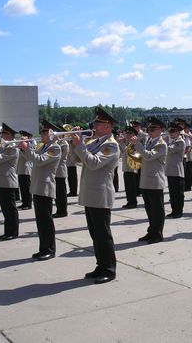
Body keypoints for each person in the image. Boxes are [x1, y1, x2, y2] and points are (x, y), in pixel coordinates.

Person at [70, 106, 119, 284]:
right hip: (91, 193)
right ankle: (101, 264)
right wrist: (73, 143)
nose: (94, 125)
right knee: (95, 233)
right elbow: (76, 159)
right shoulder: (94, 142)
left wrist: (80, 145)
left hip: (100, 194)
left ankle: (109, 269)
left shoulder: (111, 145)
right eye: (95, 122)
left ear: (108, 126)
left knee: (103, 234)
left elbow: (93, 163)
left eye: (98, 123)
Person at [19, 120, 61, 260]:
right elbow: (30, 159)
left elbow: (39, 160)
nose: (42, 134)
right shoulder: (43, 146)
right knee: (40, 221)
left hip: (45, 186)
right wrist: (23, 149)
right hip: (38, 185)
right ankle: (43, 248)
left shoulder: (55, 148)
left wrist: (27, 149)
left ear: (51, 134)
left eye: (44, 132)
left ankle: (50, 249)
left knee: (46, 221)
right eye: (42, 131)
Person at [131, 117, 167, 244]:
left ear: (160, 130)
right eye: (149, 128)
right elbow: (141, 156)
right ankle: (151, 231)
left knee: (157, 210)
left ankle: (158, 234)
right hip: (146, 179)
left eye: (153, 128)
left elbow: (148, 156)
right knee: (149, 209)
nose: (149, 131)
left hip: (155, 180)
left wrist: (138, 145)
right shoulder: (149, 141)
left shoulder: (161, 144)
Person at [0, 123, 20, 241]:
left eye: (3, 133)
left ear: (10, 135)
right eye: (1, 133)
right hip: (1, 180)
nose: (1, 135)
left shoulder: (12, 147)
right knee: (5, 209)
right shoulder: (3, 146)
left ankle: (13, 232)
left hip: (8, 180)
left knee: (10, 209)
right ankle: (7, 231)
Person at [164, 122, 185, 218]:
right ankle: (174, 210)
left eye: (173, 131)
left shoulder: (180, 142)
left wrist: (165, 142)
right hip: (171, 170)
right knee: (172, 193)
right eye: (170, 131)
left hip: (177, 171)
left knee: (178, 193)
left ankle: (179, 211)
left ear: (178, 132)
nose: (171, 133)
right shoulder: (173, 141)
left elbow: (170, 150)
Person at [119, 126, 139, 208]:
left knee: (132, 186)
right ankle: (129, 201)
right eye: (126, 133)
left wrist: (121, 143)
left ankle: (133, 202)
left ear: (134, 134)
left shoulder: (135, 143)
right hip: (126, 168)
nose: (127, 135)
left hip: (132, 168)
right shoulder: (127, 143)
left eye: (129, 133)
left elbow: (129, 152)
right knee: (128, 186)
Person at [53, 124, 68, 218]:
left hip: (60, 171)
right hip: (56, 171)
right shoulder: (58, 144)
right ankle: (59, 210)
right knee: (57, 193)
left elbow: (58, 156)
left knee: (61, 194)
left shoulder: (64, 144)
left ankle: (62, 211)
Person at [16, 130, 34, 210]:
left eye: (24, 135)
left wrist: (23, 149)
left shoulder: (29, 144)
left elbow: (28, 157)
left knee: (27, 188)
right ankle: (24, 202)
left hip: (26, 169)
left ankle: (28, 203)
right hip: (21, 168)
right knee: (22, 188)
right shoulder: (22, 144)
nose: (22, 137)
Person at [175, 118, 192, 192]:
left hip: (186, 155)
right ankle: (184, 186)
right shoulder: (177, 133)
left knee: (187, 172)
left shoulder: (187, 135)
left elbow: (188, 146)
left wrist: (183, 154)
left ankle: (187, 186)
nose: (180, 125)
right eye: (179, 124)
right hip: (179, 156)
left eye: (182, 124)